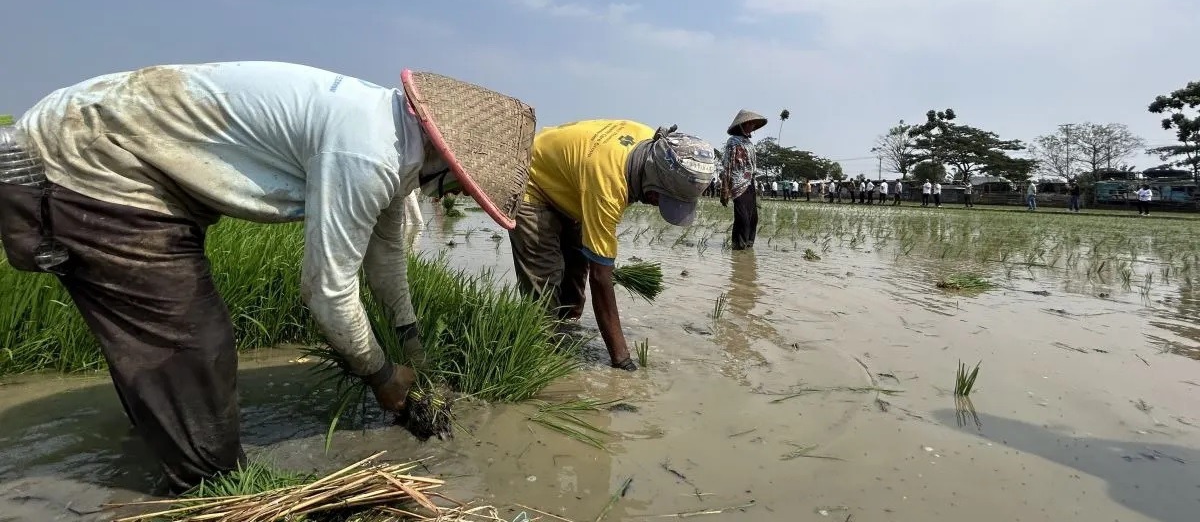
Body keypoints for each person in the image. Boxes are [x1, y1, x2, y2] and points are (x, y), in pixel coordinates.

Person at [0, 62, 536, 494]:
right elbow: (326, 290)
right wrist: (381, 375)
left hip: (115, 158)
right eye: (464, 186)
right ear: (448, 156)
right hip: (92, 161)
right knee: (193, 343)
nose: (456, 196)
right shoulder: (369, 152)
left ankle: (157, 443)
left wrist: (411, 340)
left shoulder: (395, 139)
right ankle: (213, 489)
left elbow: (387, 259)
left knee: (167, 344)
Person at [509, 120, 717, 370]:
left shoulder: (651, 142)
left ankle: (567, 328)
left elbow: (594, 265)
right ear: (652, 184)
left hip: (571, 181)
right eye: (660, 198)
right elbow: (600, 279)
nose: (653, 204)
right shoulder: (608, 186)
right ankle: (539, 353)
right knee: (544, 274)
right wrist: (621, 359)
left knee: (577, 263)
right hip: (533, 178)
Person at [721, 110, 767, 250]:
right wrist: (725, 188)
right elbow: (727, 166)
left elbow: (752, 166)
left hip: (750, 183)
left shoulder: (749, 143)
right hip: (737, 183)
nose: (751, 126)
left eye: (752, 124)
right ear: (742, 125)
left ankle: (748, 246)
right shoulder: (732, 142)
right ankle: (738, 246)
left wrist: (756, 185)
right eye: (748, 124)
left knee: (753, 218)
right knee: (743, 218)